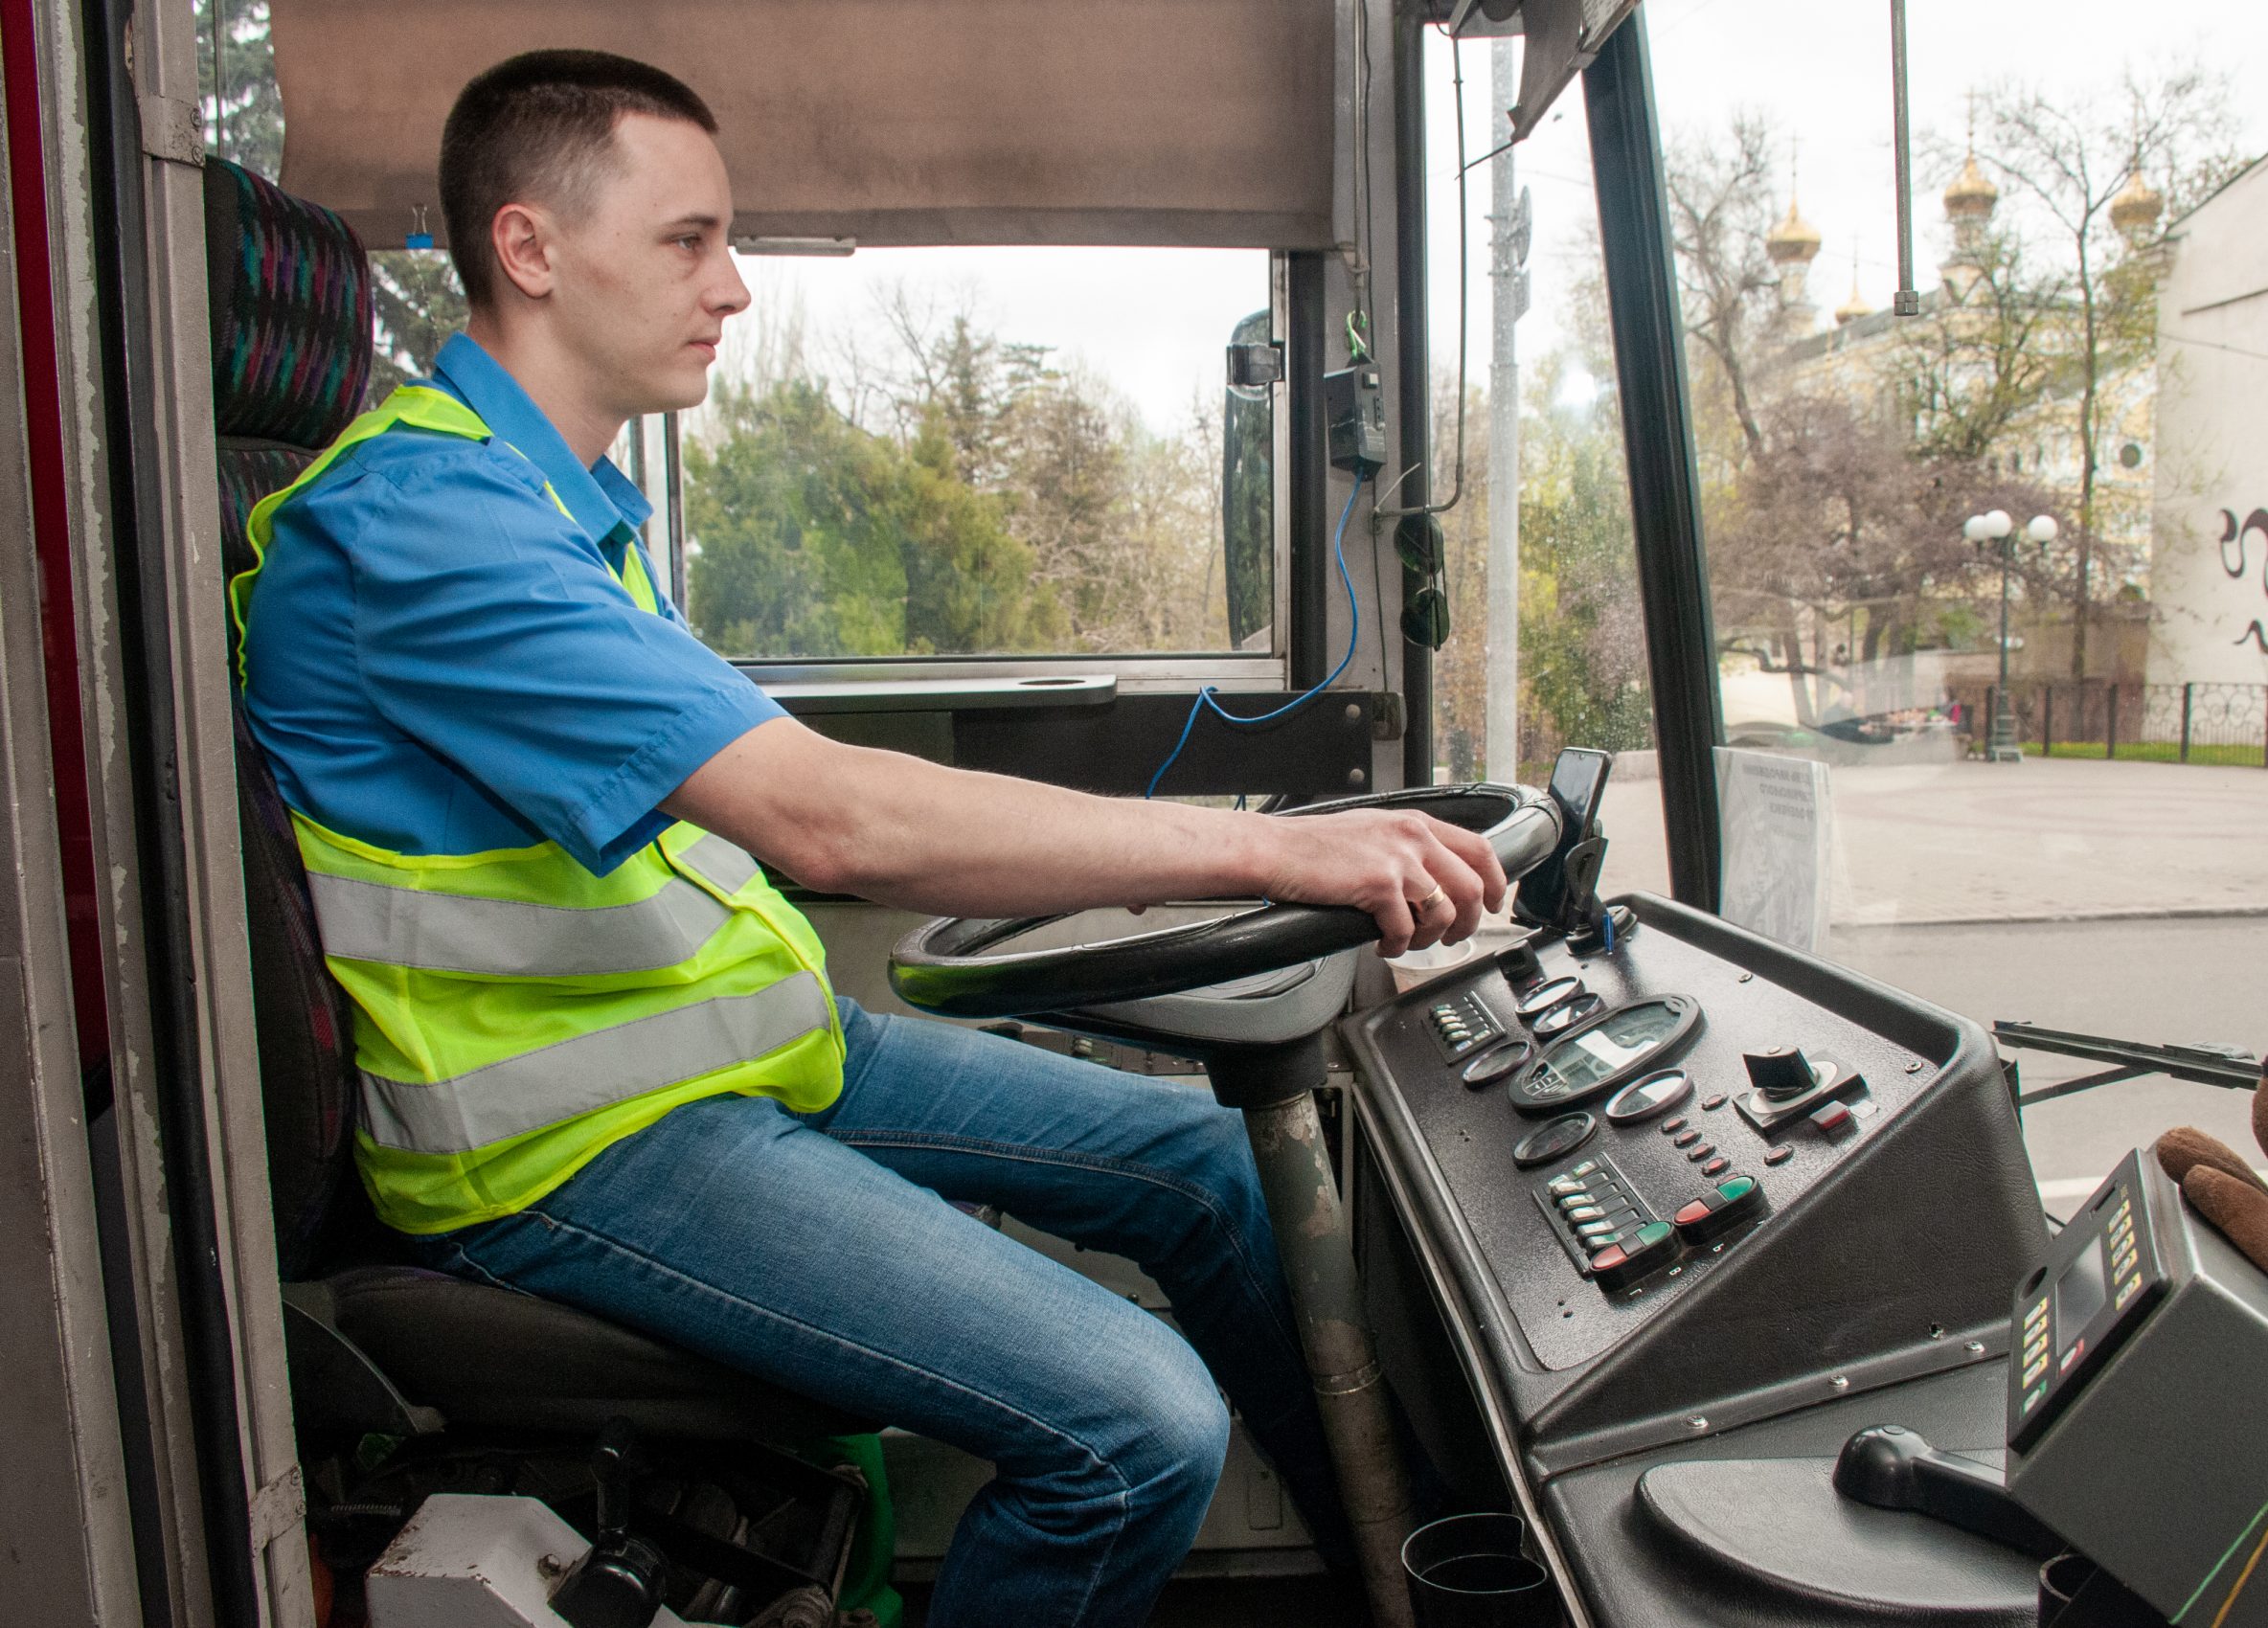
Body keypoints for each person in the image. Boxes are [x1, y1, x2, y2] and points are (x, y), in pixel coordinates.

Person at [231, 50, 1505, 1627]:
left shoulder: (552, 508)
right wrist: (1274, 851)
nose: (737, 285)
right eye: (690, 239)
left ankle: (1406, 1582)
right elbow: (825, 819)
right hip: (577, 1146)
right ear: (531, 249)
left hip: (739, 1056)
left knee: (1203, 1163)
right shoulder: (423, 531)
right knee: (1135, 1429)